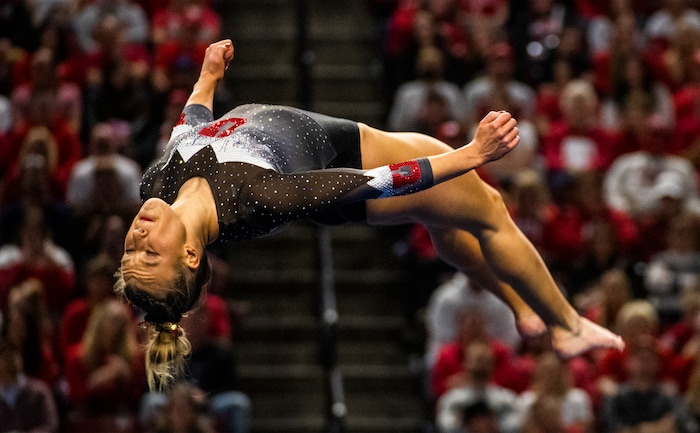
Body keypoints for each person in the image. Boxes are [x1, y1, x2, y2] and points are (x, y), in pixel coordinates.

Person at [114, 39, 624, 391]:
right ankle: (565, 324)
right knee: (488, 209)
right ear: (188, 253)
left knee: (446, 222)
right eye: (150, 251)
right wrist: (469, 154)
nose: (138, 234)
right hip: (358, 164)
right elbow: (376, 182)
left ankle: (522, 308)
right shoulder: (255, 199)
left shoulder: (153, 184)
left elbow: (190, 130)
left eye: (131, 247)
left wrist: (206, 80)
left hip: (349, 164)